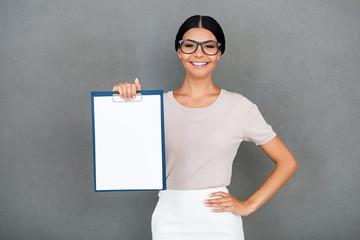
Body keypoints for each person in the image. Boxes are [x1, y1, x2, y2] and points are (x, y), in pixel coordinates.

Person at [113, 15, 298, 240]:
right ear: (179, 51)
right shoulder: (154, 106)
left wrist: (248, 205)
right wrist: (127, 104)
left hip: (219, 220)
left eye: (209, 46)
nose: (199, 53)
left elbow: (287, 162)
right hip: (169, 217)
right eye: (190, 45)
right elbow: (124, 155)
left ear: (219, 53)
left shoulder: (239, 106)